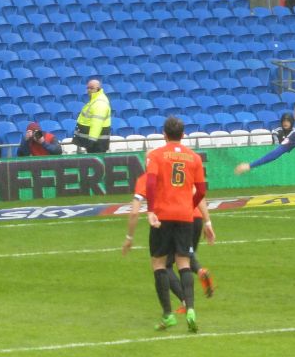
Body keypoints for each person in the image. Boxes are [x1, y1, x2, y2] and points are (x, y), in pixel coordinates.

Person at [138, 116, 215, 332]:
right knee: (184, 263)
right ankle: (190, 309)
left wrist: (151, 210)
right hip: (185, 216)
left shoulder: (156, 156)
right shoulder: (194, 158)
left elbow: (151, 184)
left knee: (159, 264)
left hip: (162, 215)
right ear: (183, 135)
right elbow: (201, 191)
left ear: (164, 134)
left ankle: (168, 315)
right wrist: (187, 204)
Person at [121, 161, 217, 315]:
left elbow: (134, 211)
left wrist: (129, 237)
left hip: (172, 220)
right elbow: (198, 193)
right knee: (184, 255)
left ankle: (184, 303)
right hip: (194, 217)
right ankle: (199, 270)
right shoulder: (181, 171)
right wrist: (207, 221)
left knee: (165, 264)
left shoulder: (147, 179)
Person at [72, 78, 111, 153]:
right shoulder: (95, 100)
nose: (89, 90)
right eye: (88, 88)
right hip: (95, 142)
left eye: (91, 88)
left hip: (96, 143)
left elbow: (97, 123)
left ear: (98, 89)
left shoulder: (100, 103)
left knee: (97, 163)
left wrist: (91, 140)